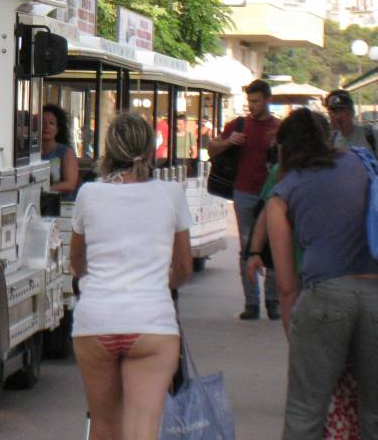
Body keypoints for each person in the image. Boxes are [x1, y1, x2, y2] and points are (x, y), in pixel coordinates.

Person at [69, 112, 193, 440]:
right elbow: (184, 268)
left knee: (103, 426)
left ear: (108, 151)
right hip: (152, 323)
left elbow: (76, 263)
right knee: (142, 431)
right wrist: (157, 282)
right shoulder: (172, 193)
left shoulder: (88, 194)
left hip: (96, 321)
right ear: (151, 151)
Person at [263, 108, 378, 439]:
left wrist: (294, 333)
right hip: (375, 294)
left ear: (284, 148)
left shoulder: (283, 194)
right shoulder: (364, 164)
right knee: (373, 411)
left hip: (325, 299)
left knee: (306, 409)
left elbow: (286, 285)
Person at [208, 79, 280, 320]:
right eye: (249, 101)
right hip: (244, 193)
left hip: (272, 195)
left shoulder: (279, 128)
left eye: (256, 101)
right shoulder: (238, 125)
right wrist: (229, 141)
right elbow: (212, 149)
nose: (251, 106)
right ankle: (251, 303)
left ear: (268, 100)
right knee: (247, 247)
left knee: (272, 247)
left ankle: (272, 301)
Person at [41, 104, 79, 199]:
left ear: (58, 129)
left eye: (51, 123)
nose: (46, 126)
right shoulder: (30, 153)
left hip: (61, 205)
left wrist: (43, 190)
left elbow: (70, 184)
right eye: (43, 123)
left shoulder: (66, 152)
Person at [325, 89, 378, 155]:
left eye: (342, 110)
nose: (337, 116)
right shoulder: (332, 140)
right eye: (334, 111)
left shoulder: (371, 134)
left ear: (352, 112)